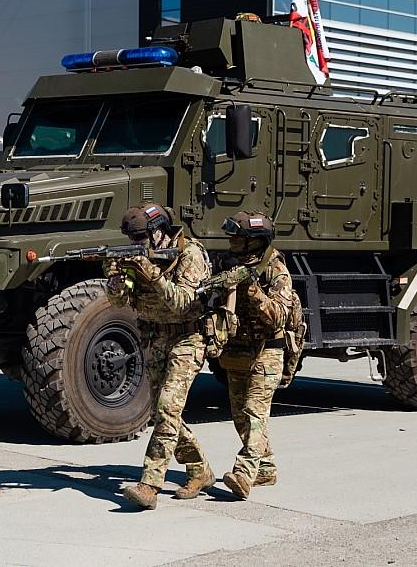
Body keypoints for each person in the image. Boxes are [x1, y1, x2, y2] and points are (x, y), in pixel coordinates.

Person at [105, 204, 216, 510]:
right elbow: (119, 302)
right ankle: (199, 470)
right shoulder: (139, 256)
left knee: (168, 406)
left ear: (159, 231)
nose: (136, 243)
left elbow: (183, 302)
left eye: (140, 237)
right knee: (162, 411)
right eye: (131, 238)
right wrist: (116, 278)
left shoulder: (189, 253)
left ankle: (150, 483)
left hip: (188, 336)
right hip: (155, 336)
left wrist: (151, 274)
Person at [215, 211, 294, 500]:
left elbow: (280, 317)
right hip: (238, 350)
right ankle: (266, 468)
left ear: (255, 242)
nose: (232, 241)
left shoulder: (275, 269)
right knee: (241, 417)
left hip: (268, 351)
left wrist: (252, 292)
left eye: (239, 237)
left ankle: (244, 473)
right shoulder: (228, 263)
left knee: (254, 411)